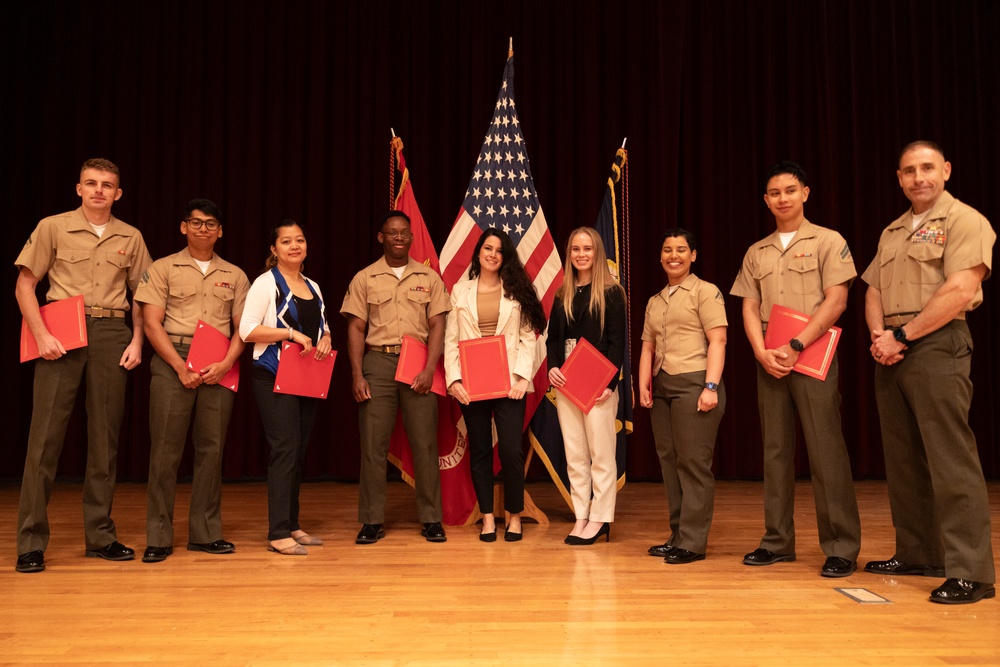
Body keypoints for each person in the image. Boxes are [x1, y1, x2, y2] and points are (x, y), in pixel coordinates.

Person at [862, 141, 996, 604]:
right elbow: (874, 288)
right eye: (909, 171)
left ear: (946, 170)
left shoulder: (965, 220)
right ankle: (919, 551)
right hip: (893, 349)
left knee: (949, 458)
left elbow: (960, 289)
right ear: (899, 178)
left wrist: (904, 336)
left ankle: (972, 571)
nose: (918, 177)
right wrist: (882, 336)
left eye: (927, 168)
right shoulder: (893, 230)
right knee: (904, 459)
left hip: (938, 343)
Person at [14, 159, 152, 573]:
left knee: (105, 439)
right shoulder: (52, 226)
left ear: (118, 193)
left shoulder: (131, 236)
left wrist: (138, 340)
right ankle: (31, 541)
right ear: (78, 188)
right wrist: (41, 335)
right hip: (61, 329)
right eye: (91, 183)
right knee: (45, 440)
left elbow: (143, 296)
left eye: (107, 185)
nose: (98, 191)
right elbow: (25, 285)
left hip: (111, 332)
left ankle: (100, 535)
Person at [730, 161, 861, 578]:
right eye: (774, 192)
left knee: (826, 450)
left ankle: (840, 545)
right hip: (770, 359)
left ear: (805, 192)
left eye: (790, 190)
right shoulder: (757, 251)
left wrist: (797, 343)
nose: (783, 198)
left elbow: (836, 300)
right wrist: (760, 351)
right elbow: (749, 307)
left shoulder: (828, 241)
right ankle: (777, 541)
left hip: (812, 352)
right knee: (776, 450)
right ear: (765, 200)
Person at [134, 199, 249, 563]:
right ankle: (159, 535)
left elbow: (242, 329)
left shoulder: (236, 274)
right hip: (173, 360)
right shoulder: (163, 267)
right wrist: (179, 367)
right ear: (184, 227)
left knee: (211, 451)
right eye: (196, 223)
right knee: (165, 453)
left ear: (220, 231)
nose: (203, 229)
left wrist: (226, 363)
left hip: (219, 363)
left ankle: (205, 532)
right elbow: (152, 323)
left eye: (210, 224)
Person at [341, 210, 450, 544]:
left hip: (419, 363)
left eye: (404, 233)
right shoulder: (365, 278)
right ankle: (372, 521)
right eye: (392, 233)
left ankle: (432, 519)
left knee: (425, 445)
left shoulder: (429, 278)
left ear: (411, 238)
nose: (399, 237)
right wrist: (357, 374)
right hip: (379, 363)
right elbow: (356, 327)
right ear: (381, 237)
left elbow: (438, 326)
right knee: (373, 446)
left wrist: (430, 369)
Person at [445, 228, 546, 542]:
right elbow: (451, 340)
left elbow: (529, 338)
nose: (492, 254)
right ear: (478, 252)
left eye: (499, 250)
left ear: (506, 257)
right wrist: (453, 380)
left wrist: (521, 377)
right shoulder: (460, 291)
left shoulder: (517, 290)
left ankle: (514, 516)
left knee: (512, 451)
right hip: (472, 384)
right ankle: (488, 518)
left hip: (509, 383)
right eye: (487, 248)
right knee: (479, 452)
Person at [240, 220, 332, 556]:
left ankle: (292, 524)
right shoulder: (266, 284)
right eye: (286, 241)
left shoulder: (314, 286)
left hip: (305, 376)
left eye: (300, 240)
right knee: (285, 448)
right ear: (274, 249)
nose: (294, 246)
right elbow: (247, 331)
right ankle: (278, 531)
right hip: (272, 375)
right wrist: (289, 334)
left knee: (299, 450)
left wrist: (326, 339)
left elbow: (323, 327)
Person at [639, 229, 727, 564]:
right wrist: (644, 383)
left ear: (693, 255)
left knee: (693, 465)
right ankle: (677, 535)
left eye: (680, 249)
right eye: (667, 250)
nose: (673, 255)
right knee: (670, 462)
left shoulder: (706, 292)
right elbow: (648, 345)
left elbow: (718, 341)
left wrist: (710, 387)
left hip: (695, 384)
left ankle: (692, 542)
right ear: (660, 256)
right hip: (663, 388)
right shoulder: (655, 300)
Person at [547, 227, 626, 546]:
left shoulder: (611, 291)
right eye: (576, 249)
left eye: (587, 249)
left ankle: (601, 517)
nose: (581, 254)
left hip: (599, 384)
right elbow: (554, 337)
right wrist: (553, 366)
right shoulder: (562, 293)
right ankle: (581, 514)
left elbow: (618, 341)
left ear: (597, 253)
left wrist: (609, 383)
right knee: (575, 452)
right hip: (568, 381)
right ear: (570, 254)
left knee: (601, 452)